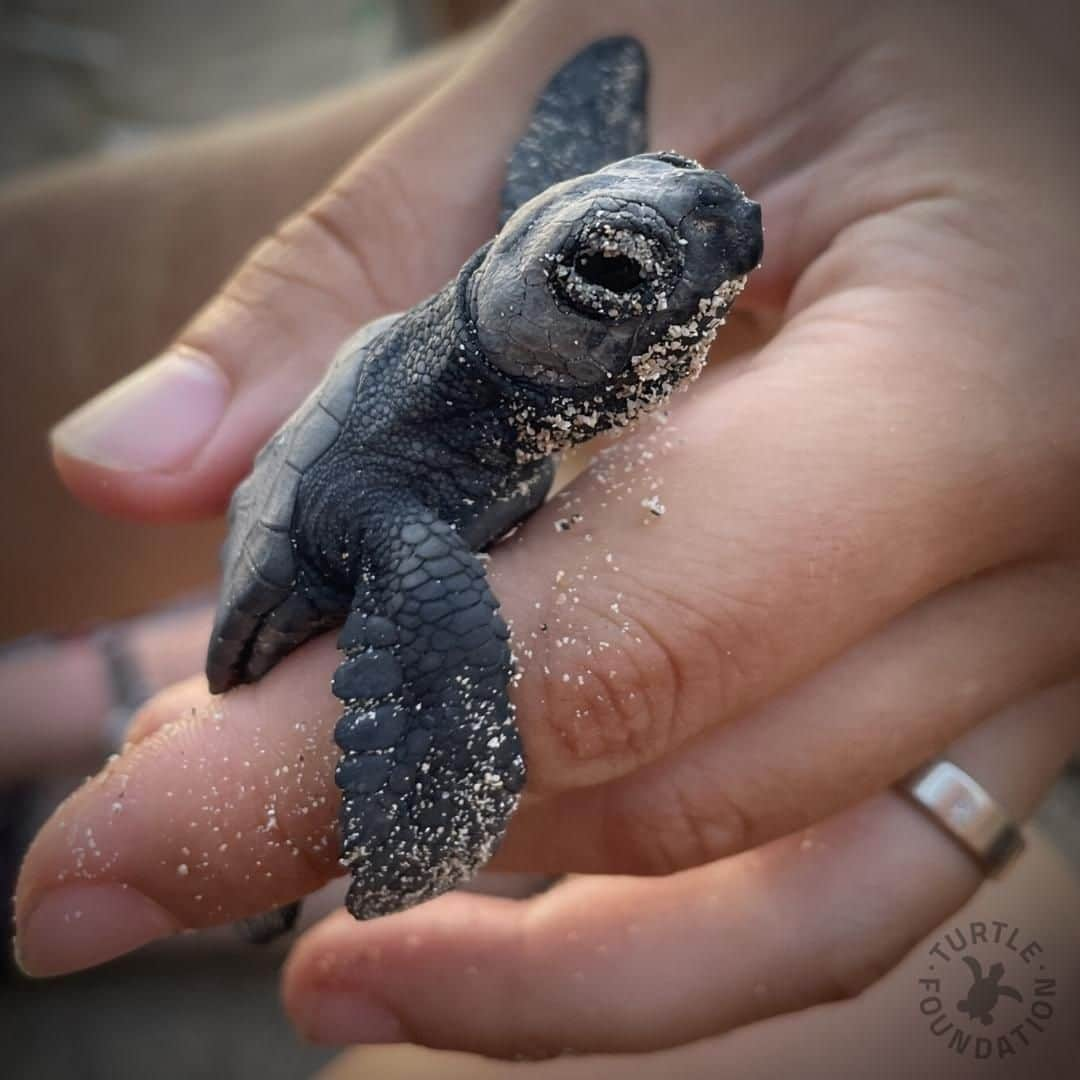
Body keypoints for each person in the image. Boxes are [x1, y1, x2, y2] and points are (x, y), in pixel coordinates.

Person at [9, 0, 1080, 1069]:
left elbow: (591, 209)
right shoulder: (405, 490)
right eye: (615, 273)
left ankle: (108, 689)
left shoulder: (528, 291)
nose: (723, 226)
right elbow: (438, 611)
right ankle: (193, 779)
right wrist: (432, 805)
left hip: (395, 493)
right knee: (462, 676)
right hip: (330, 540)